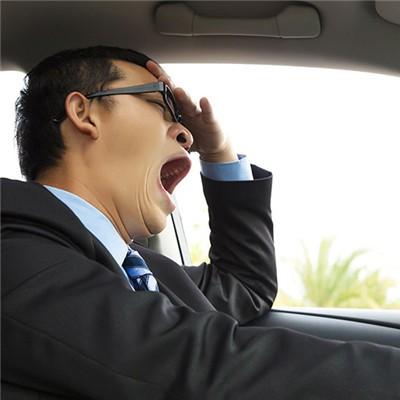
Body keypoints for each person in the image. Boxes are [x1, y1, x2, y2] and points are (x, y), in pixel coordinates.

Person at [1, 46, 399, 400]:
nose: (186, 134)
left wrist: (218, 151)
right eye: (161, 105)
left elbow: (247, 286)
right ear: (83, 112)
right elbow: (201, 366)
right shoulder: (13, 255)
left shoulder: (153, 273)